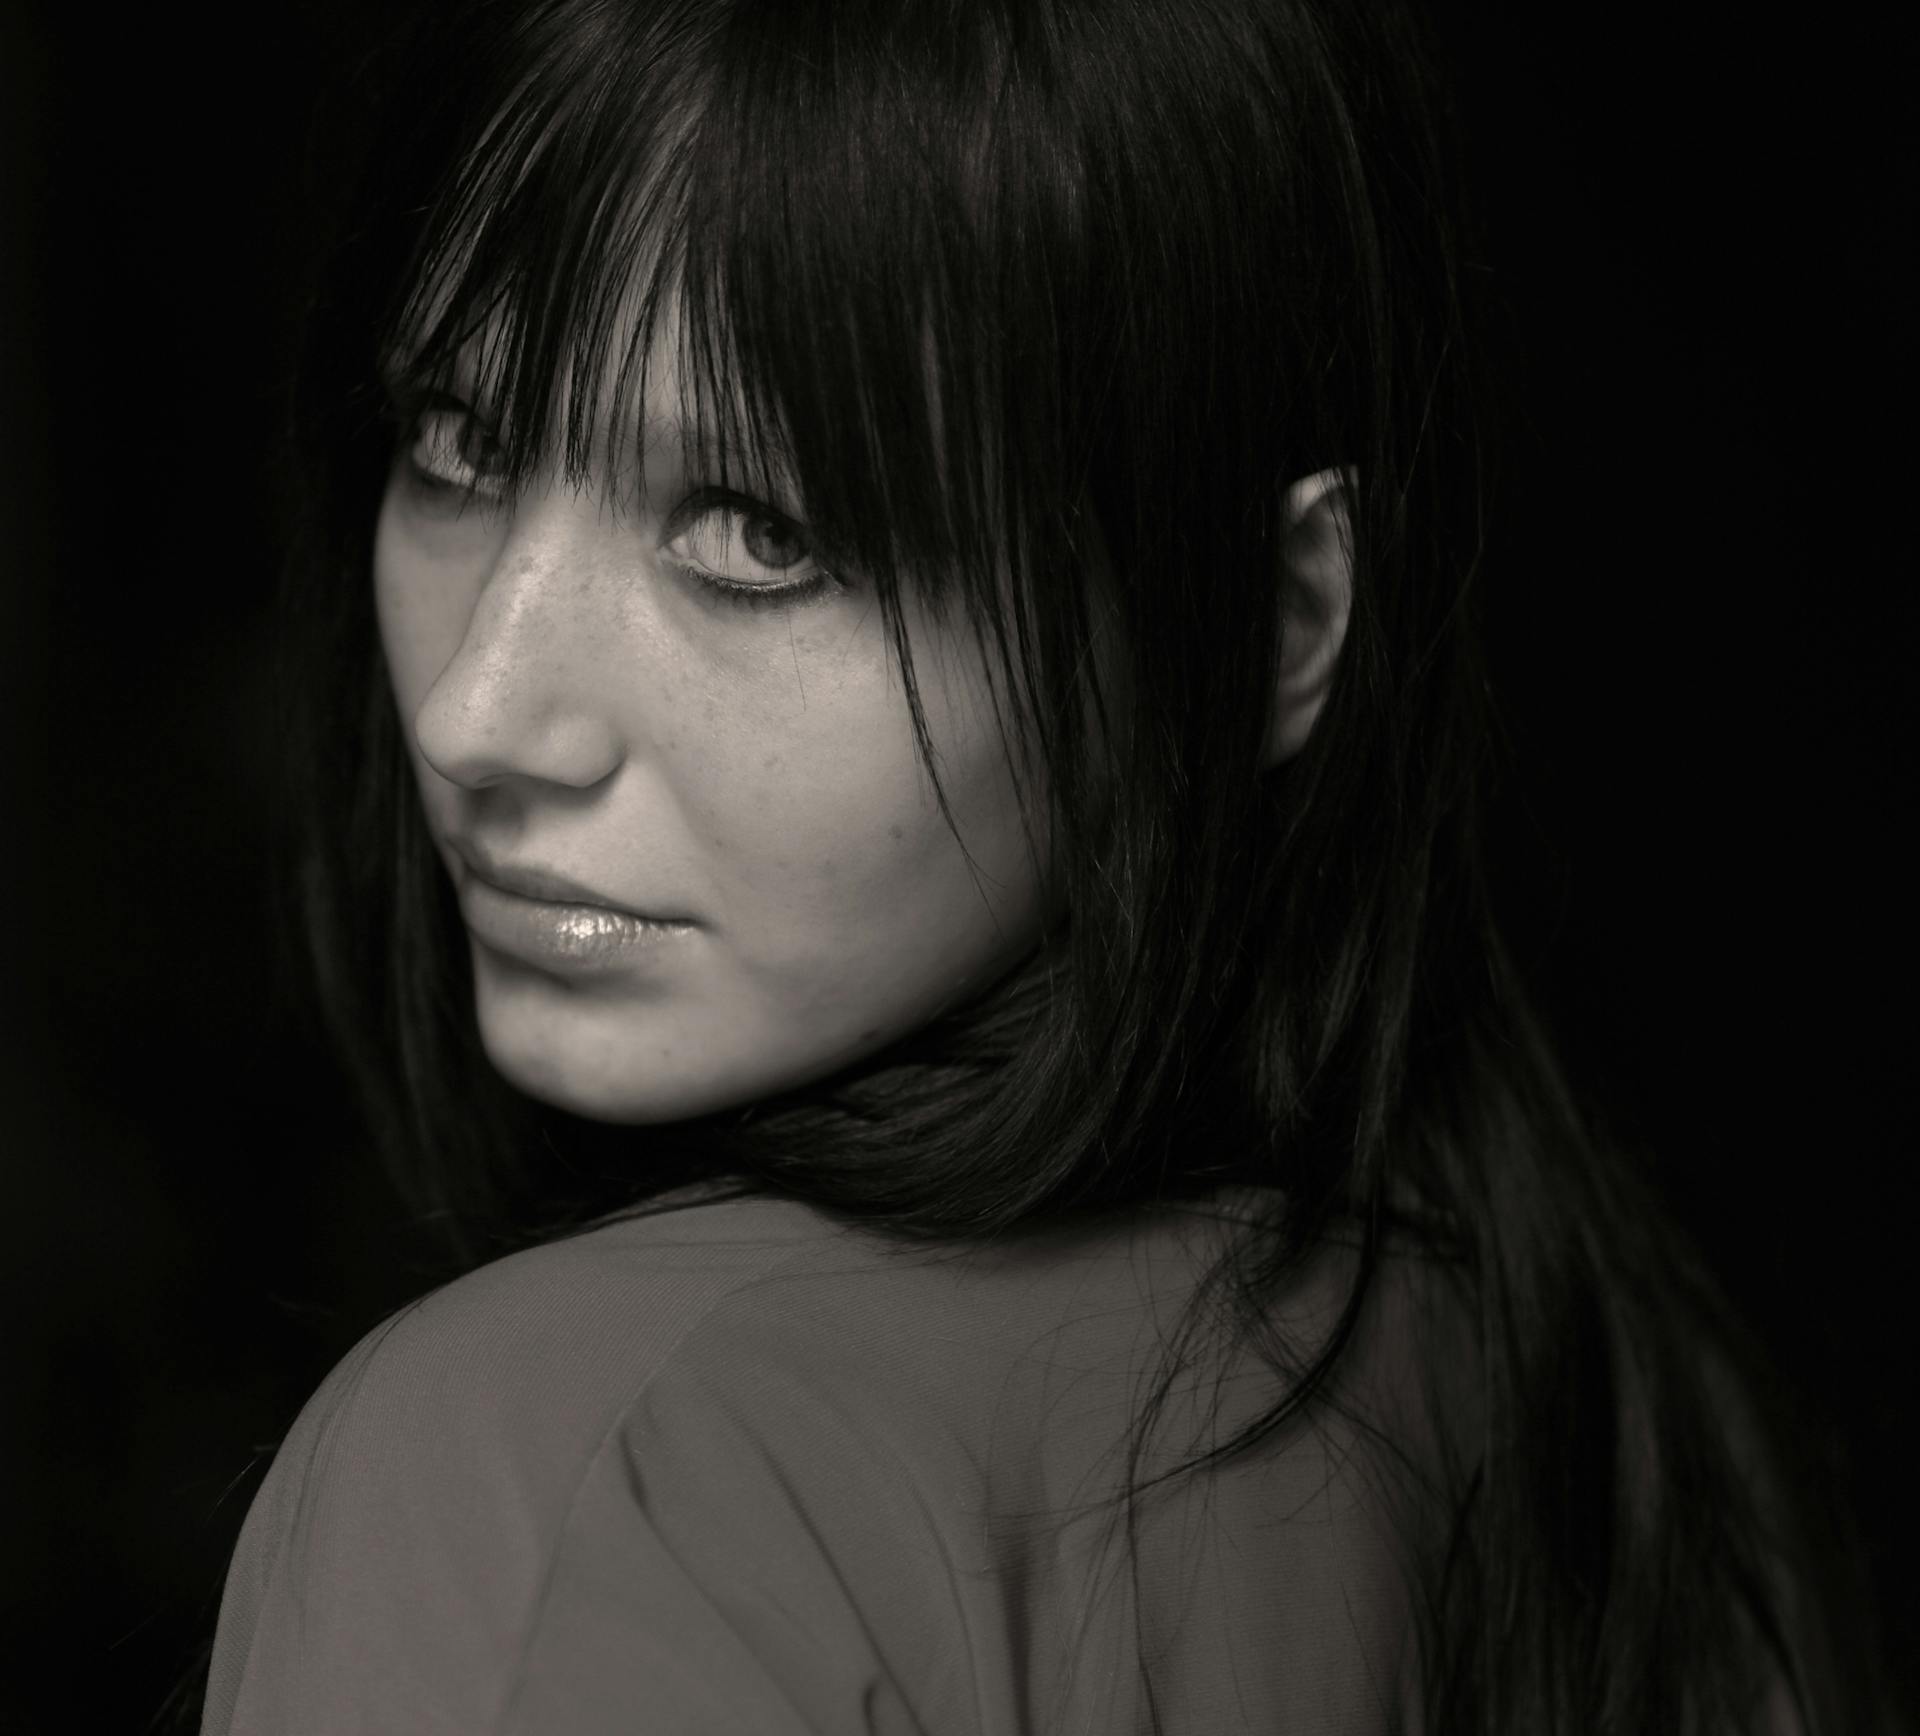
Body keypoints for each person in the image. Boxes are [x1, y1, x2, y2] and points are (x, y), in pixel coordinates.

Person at [185, 0, 1899, 1731]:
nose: (480, 710)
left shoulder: (579, 1463)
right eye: (460, 444)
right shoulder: (1594, 1418)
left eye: (762, 533)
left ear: (1265, 624)